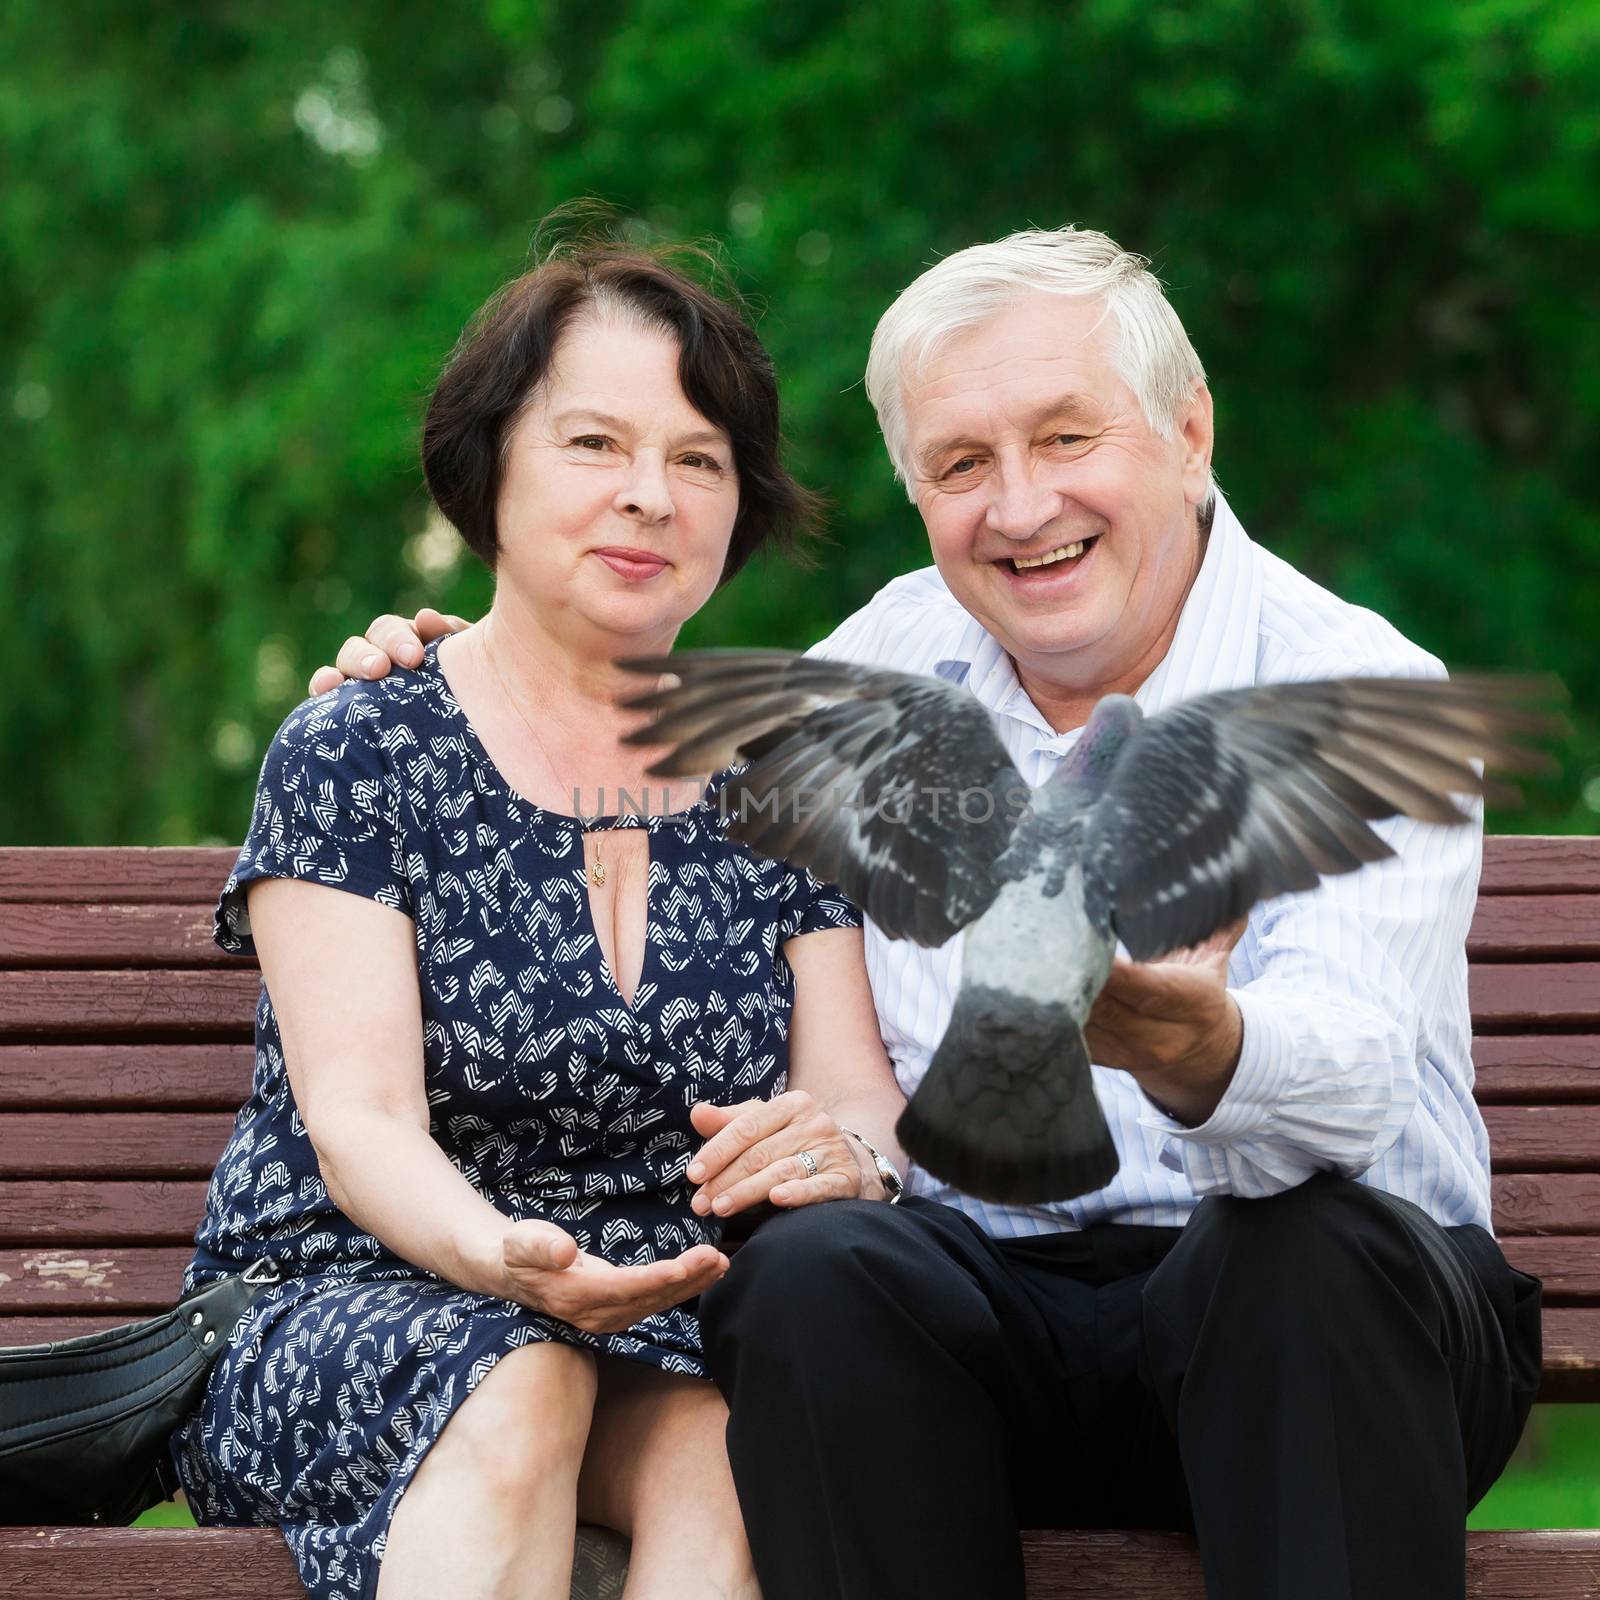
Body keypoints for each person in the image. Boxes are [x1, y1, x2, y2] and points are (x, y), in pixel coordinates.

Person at [314, 226, 1543, 1600]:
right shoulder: (870, 678)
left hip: (1333, 1345)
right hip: (993, 1330)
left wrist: (1199, 1046)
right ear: (915, 492)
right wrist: (416, 665)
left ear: (1188, 432)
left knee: (1299, 1251)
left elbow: (1353, 1078)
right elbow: (569, 700)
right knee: (818, 1274)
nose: (1021, 509)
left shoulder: (1354, 690)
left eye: (1067, 438)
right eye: (962, 466)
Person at [171, 237, 908, 1600]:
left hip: (658, 1325)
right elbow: (361, 1125)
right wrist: (499, 1261)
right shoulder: (362, 746)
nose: (650, 496)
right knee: (514, 1386)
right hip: (350, 1296)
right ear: (489, 467)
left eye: (698, 460)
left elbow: (859, 1096)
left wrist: (841, 1150)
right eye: (595, 445)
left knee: (742, 1455)